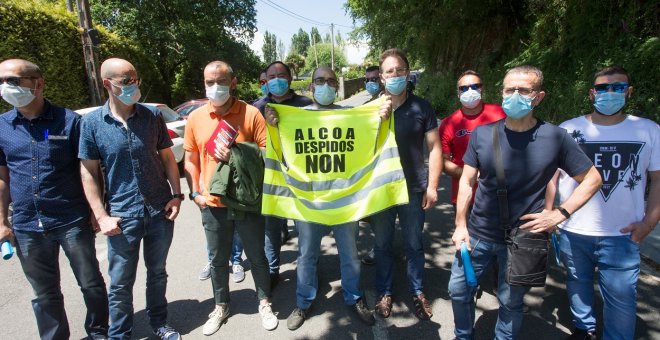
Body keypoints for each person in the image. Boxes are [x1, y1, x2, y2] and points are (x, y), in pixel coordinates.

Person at [448, 65, 602, 339]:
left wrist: (559, 214)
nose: (515, 95)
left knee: (510, 301)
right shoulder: (484, 134)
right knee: (458, 289)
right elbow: (467, 181)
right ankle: (463, 335)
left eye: (523, 90)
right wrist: (460, 225)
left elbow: (592, 178)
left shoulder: (556, 137)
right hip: (479, 233)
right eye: (510, 90)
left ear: (539, 96)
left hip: (524, 238)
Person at [265, 66, 381, 331]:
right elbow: (280, 153)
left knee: (350, 255)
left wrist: (381, 118)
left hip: (344, 202)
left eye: (331, 81)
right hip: (309, 203)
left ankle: (354, 297)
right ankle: (303, 302)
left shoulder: (351, 116)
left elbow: (368, 144)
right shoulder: (294, 117)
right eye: (320, 80)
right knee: (306, 255)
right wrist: (273, 125)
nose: (326, 85)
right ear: (311, 87)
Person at [0, 59, 109, 340]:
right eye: (1, 81)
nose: (5, 87)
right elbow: (2, 179)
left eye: (12, 81)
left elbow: (91, 170)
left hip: (71, 219)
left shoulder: (70, 122)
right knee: (44, 293)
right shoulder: (2, 127)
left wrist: (96, 212)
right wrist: (2, 221)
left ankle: (99, 333)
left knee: (90, 283)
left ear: (38, 83)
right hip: (26, 225)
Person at [551, 65, 659, 340]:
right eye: (602, 88)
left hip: (622, 234)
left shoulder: (648, 131)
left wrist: (649, 222)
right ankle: (584, 328)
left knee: (622, 299)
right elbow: (552, 177)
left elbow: (658, 179)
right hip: (574, 229)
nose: (609, 93)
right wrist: (550, 213)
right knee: (577, 283)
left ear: (628, 92)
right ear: (591, 93)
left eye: (618, 87)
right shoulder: (569, 129)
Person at [79, 58, 183, 340]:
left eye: (135, 79)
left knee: (157, 273)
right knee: (121, 283)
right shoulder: (91, 124)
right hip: (122, 216)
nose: (133, 85)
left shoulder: (152, 118)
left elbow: (168, 159)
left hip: (160, 210)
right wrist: (100, 215)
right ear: (106, 84)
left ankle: (159, 323)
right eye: (125, 81)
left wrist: (176, 196)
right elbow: (88, 172)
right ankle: (120, 334)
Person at [184, 60, 277, 335]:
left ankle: (264, 302)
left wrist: (236, 151)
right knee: (217, 259)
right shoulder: (195, 118)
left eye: (220, 82)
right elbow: (190, 160)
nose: (215, 87)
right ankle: (221, 305)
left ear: (233, 82)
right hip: (212, 203)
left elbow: (266, 153)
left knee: (257, 255)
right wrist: (195, 193)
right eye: (209, 82)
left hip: (247, 200)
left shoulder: (250, 114)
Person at [370, 48, 442, 321]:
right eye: (390, 71)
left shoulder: (421, 106)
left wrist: (432, 186)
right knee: (383, 243)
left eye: (400, 69)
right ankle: (384, 291)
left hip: (413, 187)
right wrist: (378, 118)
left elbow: (434, 148)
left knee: (414, 243)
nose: (396, 75)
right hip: (381, 189)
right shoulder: (370, 108)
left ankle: (417, 290)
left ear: (408, 73)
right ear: (381, 76)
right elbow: (358, 150)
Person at [253, 61, 313, 288]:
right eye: (271, 76)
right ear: (265, 80)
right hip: (271, 177)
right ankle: (272, 271)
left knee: (303, 227)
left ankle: (308, 269)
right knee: (271, 228)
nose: (276, 79)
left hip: (301, 177)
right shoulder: (257, 108)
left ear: (290, 78)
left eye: (281, 75)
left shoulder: (305, 104)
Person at [439, 70, 506, 207]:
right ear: (458, 93)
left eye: (475, 86)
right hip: (465, 197)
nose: (470, 90)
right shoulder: (449, 123)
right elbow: (442, 162)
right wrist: (470, 175)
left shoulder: (502, 113)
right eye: (464, 88)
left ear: (482, 89)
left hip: (501, 195)